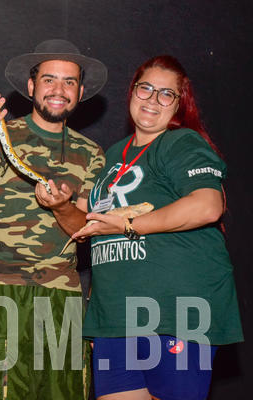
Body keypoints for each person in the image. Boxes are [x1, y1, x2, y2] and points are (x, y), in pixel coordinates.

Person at [73, 55, 243, 400]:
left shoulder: (181, 143)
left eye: (166, 94)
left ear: (179, 105)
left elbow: (208, 205)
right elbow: (96, 223)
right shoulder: (113, 156)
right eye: (145, 88)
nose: (153, 99)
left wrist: (128, 224)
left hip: (174, 313)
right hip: (115, 318)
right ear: (132, 92)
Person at [0, 39, 107, 399]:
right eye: (49, 79)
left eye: (69, 81)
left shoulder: (91, 154)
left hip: (62, 295)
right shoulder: (2, 135)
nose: (59, 89)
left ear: (80, 92)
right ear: (31, 86)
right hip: (1, 288)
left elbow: (86, 231)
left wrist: (61, 207)